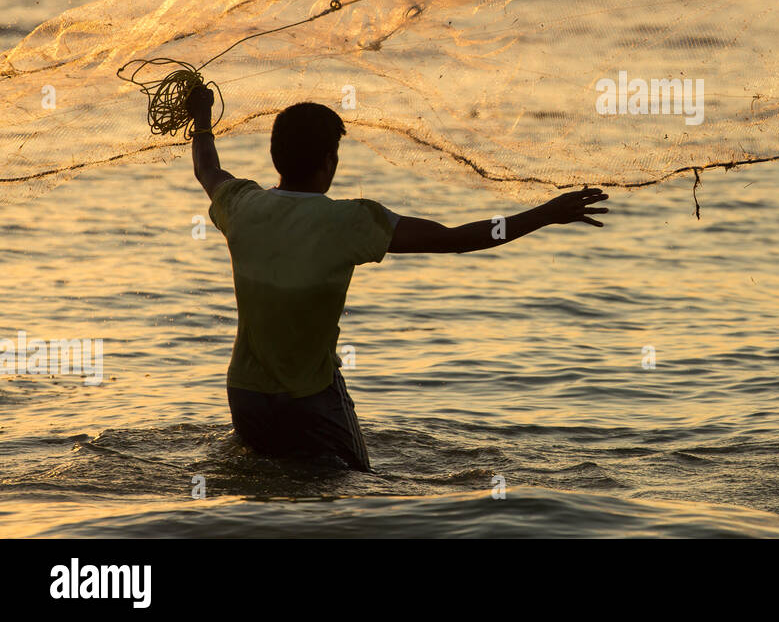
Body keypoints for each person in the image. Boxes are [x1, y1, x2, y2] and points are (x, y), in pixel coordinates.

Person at [183, 86, 609, 471]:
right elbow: (457, 239)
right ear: (330, 162)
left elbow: (207, 169)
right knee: (352, 486)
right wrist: (545, 214)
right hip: (309, 398)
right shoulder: (350, 220)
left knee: (264, 487)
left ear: (277, 156)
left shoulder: (241, 206)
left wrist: (202, 119)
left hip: (246, 396)